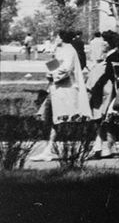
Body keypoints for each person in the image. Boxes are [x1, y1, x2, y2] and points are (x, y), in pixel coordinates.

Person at [32, 31, 90, 162]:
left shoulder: (69, 51)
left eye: (57, 36)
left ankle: (57, 150)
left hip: (65, 90)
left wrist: (53, 74)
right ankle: (48, 150)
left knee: (63, 119)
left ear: (62, 38)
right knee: (52, 119)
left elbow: (66, 69)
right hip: (56, 89)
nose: (55, 38)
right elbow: (54, 65)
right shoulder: (60, 50)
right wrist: (49, 72)